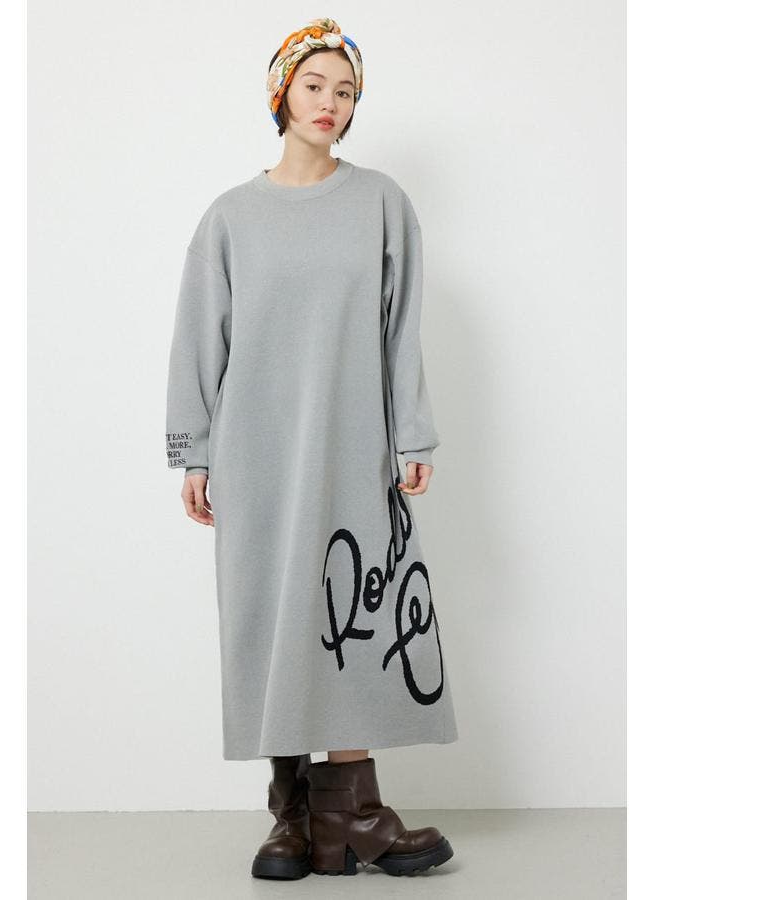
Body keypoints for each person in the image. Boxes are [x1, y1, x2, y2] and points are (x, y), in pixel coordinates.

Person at [165, 17, 458, 879]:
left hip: (353, 442)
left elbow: (401, 328)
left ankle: (351, 811)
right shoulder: (230, 217)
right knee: (273, 614)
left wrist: (413, 431)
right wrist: (195, 452)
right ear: (281, 93)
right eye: (314, 85)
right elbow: (199, 341)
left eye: (346, 91)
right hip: (256, 451)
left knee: (353, 614)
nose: (330, 103)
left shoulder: (381, 204)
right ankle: (293, 819)